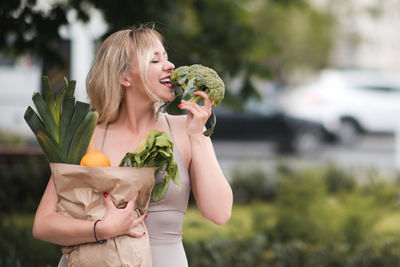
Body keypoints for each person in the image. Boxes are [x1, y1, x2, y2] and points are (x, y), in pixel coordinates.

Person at [32, 23, 233, 267]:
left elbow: (220, 213)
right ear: (124, 77)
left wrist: (198, 136)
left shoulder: (185, 129)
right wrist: (102, 229)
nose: (170, 66)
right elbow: (43, 224)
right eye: (155, 61)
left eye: (166, 58)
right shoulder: (88, 136)